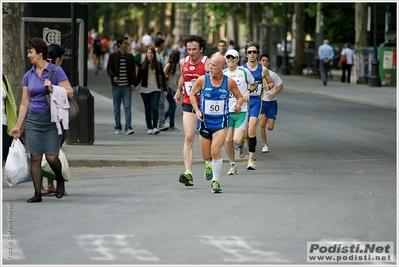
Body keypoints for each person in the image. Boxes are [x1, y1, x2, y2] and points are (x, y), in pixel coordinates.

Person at [10, 37, 74, 203]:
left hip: (52, 119)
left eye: (31, 52)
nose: (29, 55)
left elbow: (70, 92)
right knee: (36, 157)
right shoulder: (28, 75)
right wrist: (18, 126)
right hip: (33, 119)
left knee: (52, 157)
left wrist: (53, 88)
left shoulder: (55, 71)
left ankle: (59, 179)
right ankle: (37, 193)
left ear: (40, 52)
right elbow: (24, 103)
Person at [189, 55, 244, 193]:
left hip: (221, 122)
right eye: (210, 64)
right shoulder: (203, 80)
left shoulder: (229, 82)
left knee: (215, 151)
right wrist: (196, 110)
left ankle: (215, 181)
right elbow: (192, 95)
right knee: (206, 155)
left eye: (213, 65)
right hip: (205, 122)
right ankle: (208, 164)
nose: (210, 68)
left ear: (222, 68)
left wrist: (239, 104)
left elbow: (240, 97)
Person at [173, 34, 210, 186]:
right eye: (189, 49)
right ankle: (188, 173)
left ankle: (209, 162)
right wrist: (178, 90)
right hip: (189, 102)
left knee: (205, 137)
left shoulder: (207, 63)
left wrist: (201, 83)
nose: (191, 52)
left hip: (205, 104)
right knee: (188, 137)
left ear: (201, 49)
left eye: (194, 49)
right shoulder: (183, 62)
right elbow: (183, 76)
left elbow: (215, 80)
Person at [39, 43, 68, 197]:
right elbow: (68, 93)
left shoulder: (40, 70)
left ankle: (48, 185)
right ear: (58, 59)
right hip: (55, 117)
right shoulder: (58, 71)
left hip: (41, 115)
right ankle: (53, 183)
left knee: (43, 153)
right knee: (51, 153)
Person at [222, 49, 255, 175]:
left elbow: (254, 84)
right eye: (228, 57)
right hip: (226, 111)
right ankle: (232, 165)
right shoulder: (223, 73)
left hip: (241, 110)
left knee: (237, 139)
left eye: (233, 57)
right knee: (227, 140)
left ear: (237, 59)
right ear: (225, 59)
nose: (230, 59)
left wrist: (248, 91)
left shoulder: (244, 72)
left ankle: (241, 146)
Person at [242, 41, 274, 170]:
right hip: (244, 102)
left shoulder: (263, 69)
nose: (252, 54)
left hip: (256, 101)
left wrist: (268, 86)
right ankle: (241, 144)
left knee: (252, 128)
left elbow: (271, 83)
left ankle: (251, 159)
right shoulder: (242, 69)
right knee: (243, 134)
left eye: (254, 52)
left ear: (257, 54)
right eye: (249, 52)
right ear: (246, 54)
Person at [107, 36, 136, 135]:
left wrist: (133, 83)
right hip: (116, 86)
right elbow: (109, 68)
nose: (127, 45)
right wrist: (113, 77)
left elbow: (132, 71)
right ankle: (117, 126)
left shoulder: (129, 56)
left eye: (127, 43)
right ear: (119, 44)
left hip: (126, 86)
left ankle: (128, 127)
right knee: (116, 107)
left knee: (127, 106)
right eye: (125, 43)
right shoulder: (113, 56)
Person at [135, 47, 167, 135]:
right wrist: (133, 85)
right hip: (145, 90)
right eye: (148, 53)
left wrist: (165, 89)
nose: (150, 55)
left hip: (156, 89)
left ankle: (155, 127)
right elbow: (139, 78)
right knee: (148, 109)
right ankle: (149, 126)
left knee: (154, 108)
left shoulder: (158, 64)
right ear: (146, 54)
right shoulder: (143, 65)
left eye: (152, 53)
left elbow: (163, 78)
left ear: (154, 55)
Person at [258, 53, 284, 153]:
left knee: (270, 127)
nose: (264, 62)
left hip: (272, 103)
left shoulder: (272, 74)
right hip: (261, 102)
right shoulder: (257, 74)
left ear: (268, 63)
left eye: (266, 61)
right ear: (259, 61)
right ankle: (265, 145)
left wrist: (273, 94)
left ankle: (266, 119)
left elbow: (281, 86)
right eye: (263, 60)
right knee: (262, 124)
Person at [163, 50, 181, 131]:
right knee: (173, 105)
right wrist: (165, 86)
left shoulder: (177, 66)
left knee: (172, 106)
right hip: (169, 87)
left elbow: (179, 78)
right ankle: (171, 124)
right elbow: (163, 75)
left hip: (175, 87)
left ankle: (161, 119)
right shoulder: (168, 65)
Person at [154, 38, 169, 132]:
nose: (165, 46)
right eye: (163, 44)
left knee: (160, 103)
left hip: (160, 82)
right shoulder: (156, 55)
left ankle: (158, 122)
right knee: (160, 103)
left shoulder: (160, 55)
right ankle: (160, 123)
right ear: (160, 45)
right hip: (157, 83)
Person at [2, 74, 17, 162]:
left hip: (3, 121)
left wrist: (15, 124)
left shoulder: (3, 78)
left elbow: (11, 99)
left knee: (4, 148)